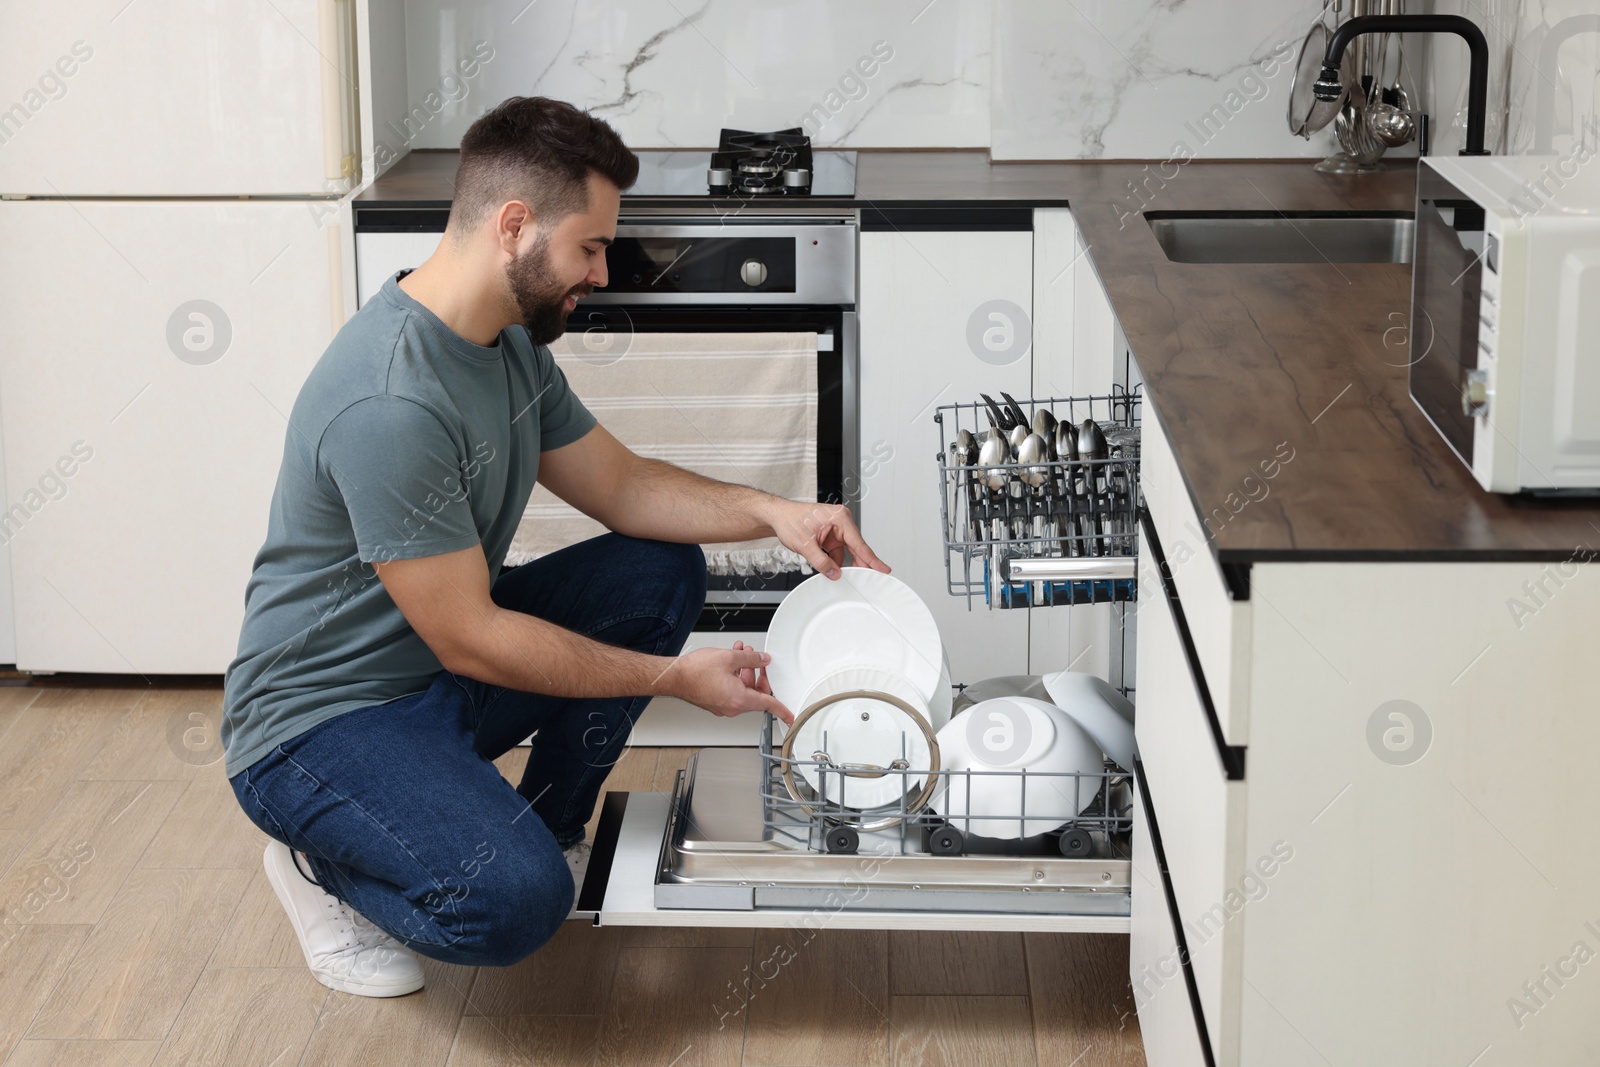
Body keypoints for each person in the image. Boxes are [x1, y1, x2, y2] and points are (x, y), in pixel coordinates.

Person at [220, 95, 888, 997]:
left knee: (657, 569)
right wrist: (669, 678)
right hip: (323, 721)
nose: (603, 272)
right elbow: (472, 636)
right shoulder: (391, 402)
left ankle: (544, 822)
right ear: (514, 226)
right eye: (591, 246)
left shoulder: (502, 346)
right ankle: (319, 866)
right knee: (513, 906)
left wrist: (779, 511)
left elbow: (622, 486)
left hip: (431, 673)